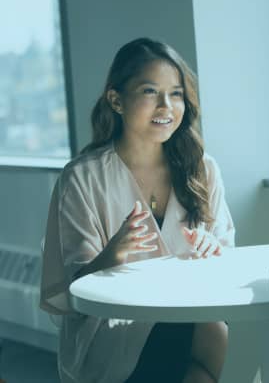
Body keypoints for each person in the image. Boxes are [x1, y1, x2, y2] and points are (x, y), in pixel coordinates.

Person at [40, 38, 235, 383]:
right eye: (150, 91)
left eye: (176, 93)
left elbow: (226, 259)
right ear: (116, 100)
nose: (167, 106)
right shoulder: (82, 178)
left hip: (192, 319)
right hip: (114, 334)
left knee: (212, 333)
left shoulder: (203, 169)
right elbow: (74, 292)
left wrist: (212, 248)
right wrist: (111, 256)